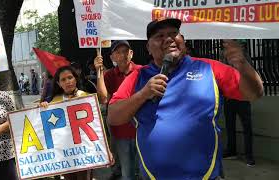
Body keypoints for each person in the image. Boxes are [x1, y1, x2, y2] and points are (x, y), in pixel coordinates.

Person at [107, 18, 263, 179]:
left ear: (183, 40)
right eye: (160, 36)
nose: (168, 39)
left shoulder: (208, 68)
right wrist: (143, 94)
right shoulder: (138, 77)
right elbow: (113, 116)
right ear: (148, 47)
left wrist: (243, 65)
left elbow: (254, 93)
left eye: (174, 33)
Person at [94, 40, 142, 180]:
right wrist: (99, 71)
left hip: (142, 131)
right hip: (120, 132)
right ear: (112, 57)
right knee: (127, 173)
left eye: (125, 51)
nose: (122, 55)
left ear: (131, 54)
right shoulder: (109, 75)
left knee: (145, 172)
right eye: (118, 52)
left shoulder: (142, 71)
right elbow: (103, 99)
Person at [39, 66, 91, 180]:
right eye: (63, 80)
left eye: (70, 77)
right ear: (58, 83)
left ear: (75, 79)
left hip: (85, 151)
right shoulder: (55, 101)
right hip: (66, 153)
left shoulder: (87, 97)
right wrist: (43, 107)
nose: (68, 81)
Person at [221, 39, 255, 166]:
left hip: (242, 96)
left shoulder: (244, 55)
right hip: (229, 95)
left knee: (247, 127)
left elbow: (248, 73)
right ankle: (231, 150)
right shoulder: (223, 54)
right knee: (230, 125)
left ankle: (249, 155)